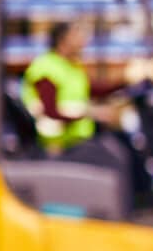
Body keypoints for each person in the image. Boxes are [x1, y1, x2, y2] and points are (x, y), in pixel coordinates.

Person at [21, 20, 140, 187]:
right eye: (76, 35)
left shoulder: (72, 67)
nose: (83, 40)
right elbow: (50, 112)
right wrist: (93, 113)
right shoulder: (46, 68)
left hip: (79, 139)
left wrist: (127, 80)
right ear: (63, 40)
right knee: (115, 160)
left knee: (124, 148)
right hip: (60, 145)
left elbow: (94, 90)